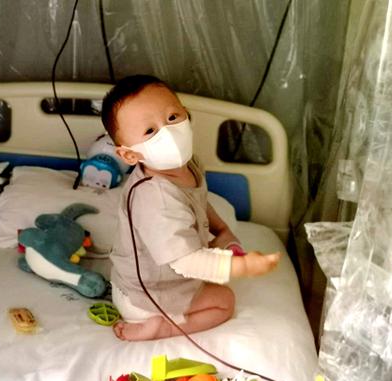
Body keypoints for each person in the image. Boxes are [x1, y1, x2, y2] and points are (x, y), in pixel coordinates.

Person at [102, 75, 281, 341]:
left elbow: (198, 200)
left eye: (172, 117)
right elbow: (186, 262)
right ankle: (163, 327)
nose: (168, 132)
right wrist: (242, 266)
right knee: (224, 301)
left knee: (213, 265)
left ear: (186, 114)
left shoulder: (188, 165)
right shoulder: (155, 199)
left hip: (163, 275)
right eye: (150, 131)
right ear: (129, 154)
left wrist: (222, 230)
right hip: (146, 296)